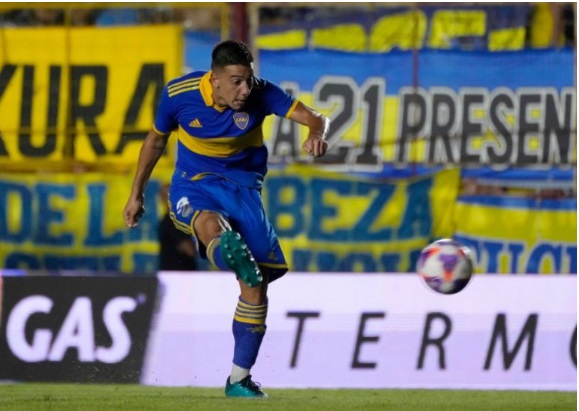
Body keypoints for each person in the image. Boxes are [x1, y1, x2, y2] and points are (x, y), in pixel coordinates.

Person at [123, 40, 329, 398]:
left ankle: (238, 379)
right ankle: (227, 248)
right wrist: (136, 193)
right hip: (194, 183)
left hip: (243, 190)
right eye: (236, 81)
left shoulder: (262, 93)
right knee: (209, 223)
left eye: (248, 79)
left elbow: (316, 117)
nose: (245, 89)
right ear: (215, 79)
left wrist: (316, 133)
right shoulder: (179, 95)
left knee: (255, 284)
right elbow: (155, 141)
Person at [158, 183, 199, 271]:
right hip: (179, 275)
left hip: (175, 273)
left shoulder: (169, 221)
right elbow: (189, 250)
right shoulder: (172, 222)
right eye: (167, 196)